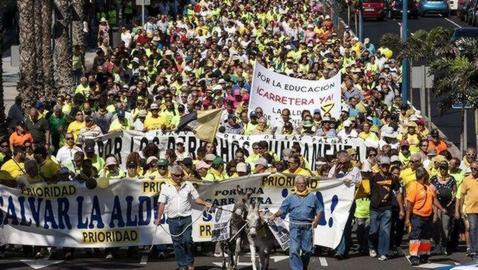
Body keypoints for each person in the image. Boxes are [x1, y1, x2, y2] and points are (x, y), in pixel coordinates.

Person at [155, 165, 212, 270]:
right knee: (177, 244)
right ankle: (182, 265)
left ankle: (190, 262)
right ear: (171, 175)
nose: (179, 177)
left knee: (187, 241)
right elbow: (162, 204)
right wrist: (158, 218)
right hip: (172, 219)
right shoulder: (165, 187)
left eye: (181, 175)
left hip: (186, 218)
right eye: (177, 176)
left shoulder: (188, 185)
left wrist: (205, 203)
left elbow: (196, 199)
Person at [270, 176, 323, 270]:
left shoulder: (312, 197)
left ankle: (303, 266)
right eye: (299, 183)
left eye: (303, 183)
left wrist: (317, 221)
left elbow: (319, 210)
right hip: (294, 226)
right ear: (296, 185)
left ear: (306, 184)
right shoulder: (290, 197)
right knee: (294, 249)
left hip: (307, 227)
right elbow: (283, 210)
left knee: (307, 251)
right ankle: (297, 268)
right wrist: (275, 215)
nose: (301, 185)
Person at [406, 167, 447, 266]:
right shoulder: (413, 186)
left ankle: (424, 255)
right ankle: (414, 256)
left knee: (426, 237)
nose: (428, 177)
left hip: (428, 216)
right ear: (424, 176)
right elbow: (409, 204)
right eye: (427, 176)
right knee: (416, 236)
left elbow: (434, 199)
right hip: (417, 216)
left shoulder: (428, 187)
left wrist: (441, 208)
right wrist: (407, 218)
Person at [368, 156, 404, 261]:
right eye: (383, 165)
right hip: (374, 208)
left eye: (387, 165)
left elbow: (398, 193)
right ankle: (371, 246)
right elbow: (366, 189)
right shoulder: (374, 177)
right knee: (373, 230)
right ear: (379, 166)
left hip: (387, 208)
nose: (385, 167)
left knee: (385, 231)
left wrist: (401, 208)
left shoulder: (393, 178)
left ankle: (383, 252)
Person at [430, 160, 456, 255]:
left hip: (447, 206)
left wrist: (451, 202)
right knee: (436, 225)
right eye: (441, 168)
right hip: (436, 206)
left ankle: (444, 246)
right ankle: (437, 245)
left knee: (445, 226)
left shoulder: (452, 179)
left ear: (447, 169)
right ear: (439, 168)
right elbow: (431, 192)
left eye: (444, 168)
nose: (443, 170)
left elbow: (454, 192)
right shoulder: (433, 178)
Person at [457, 160, 478, 263]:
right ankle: (474, 251)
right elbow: (462, 195)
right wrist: (461, 210)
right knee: (473, 229)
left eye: (476, 169)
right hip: (471, 209)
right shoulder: (466, 180)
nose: (474, 171)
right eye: (472, 168)